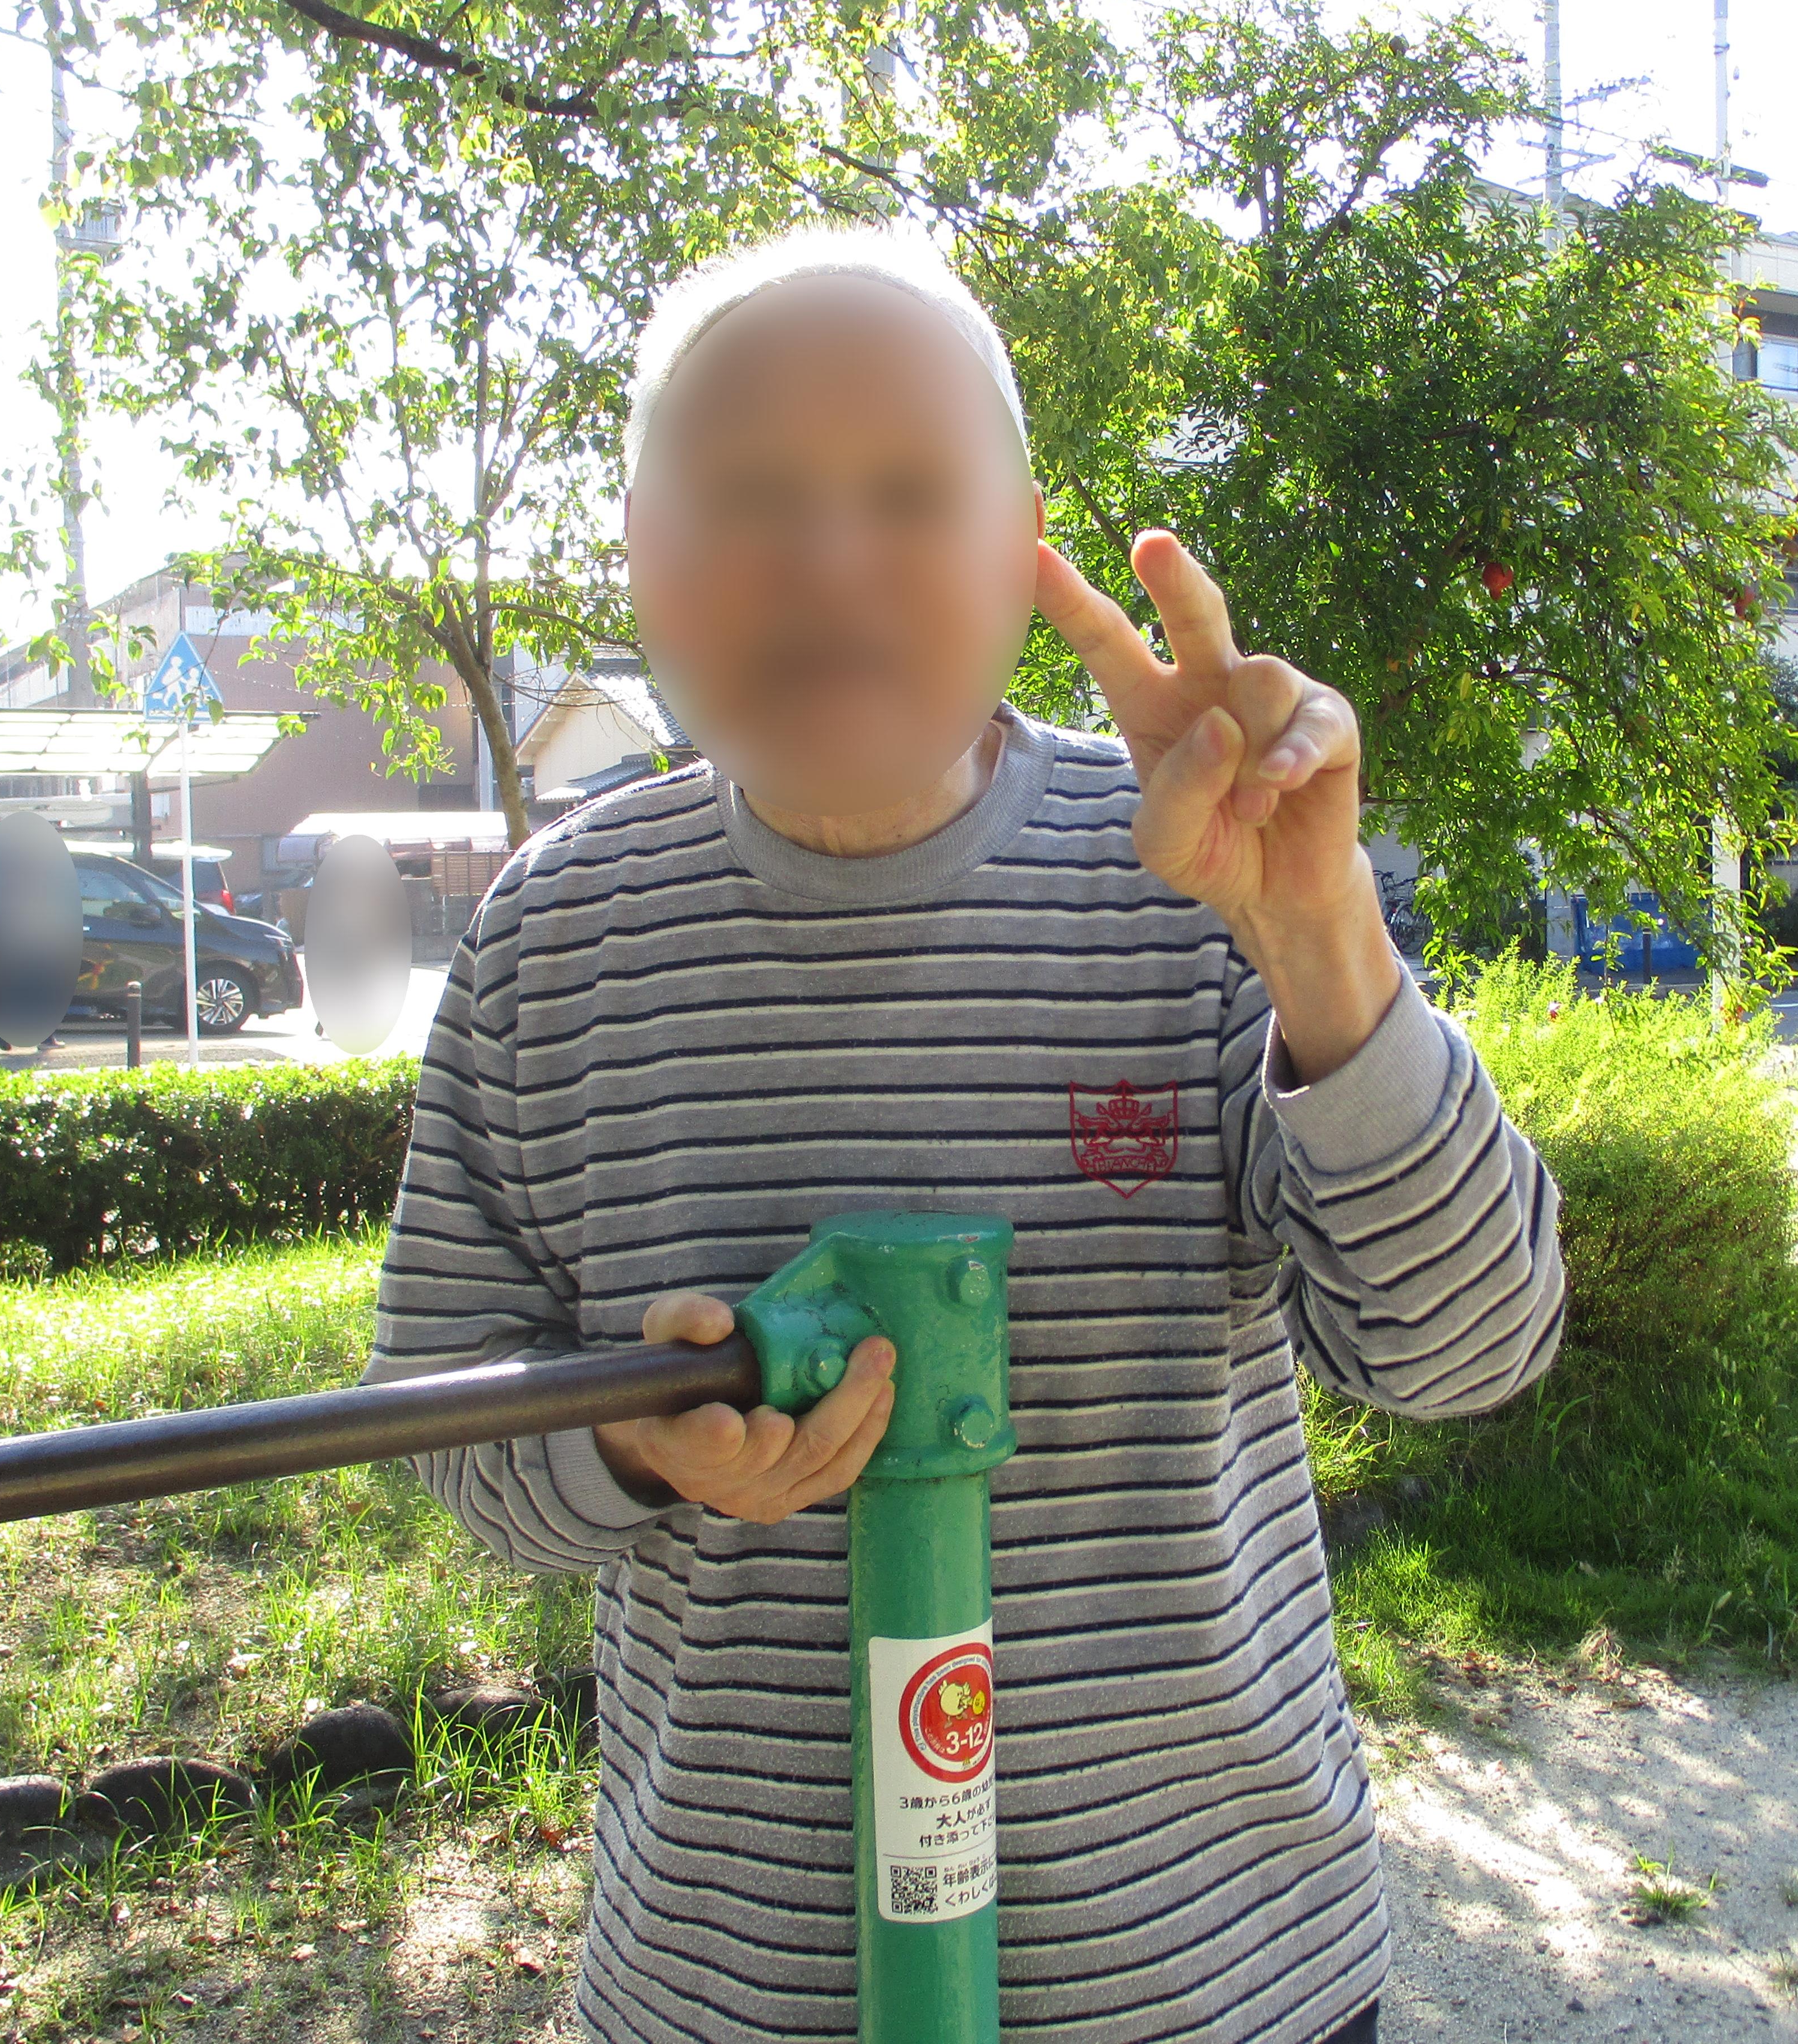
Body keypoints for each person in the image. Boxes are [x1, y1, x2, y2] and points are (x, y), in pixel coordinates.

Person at [366, 226, 1566, 2043]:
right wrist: (630, 1446)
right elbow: (443, 1419)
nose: (832, 558)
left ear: (1025, 552)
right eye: (752, 498)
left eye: (911, 496)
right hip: (725, 1990)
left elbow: (1467, 1350)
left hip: (1215, 1982)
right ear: (642, 557)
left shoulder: (1198, 876)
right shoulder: (555, 940)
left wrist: (1322, 933)